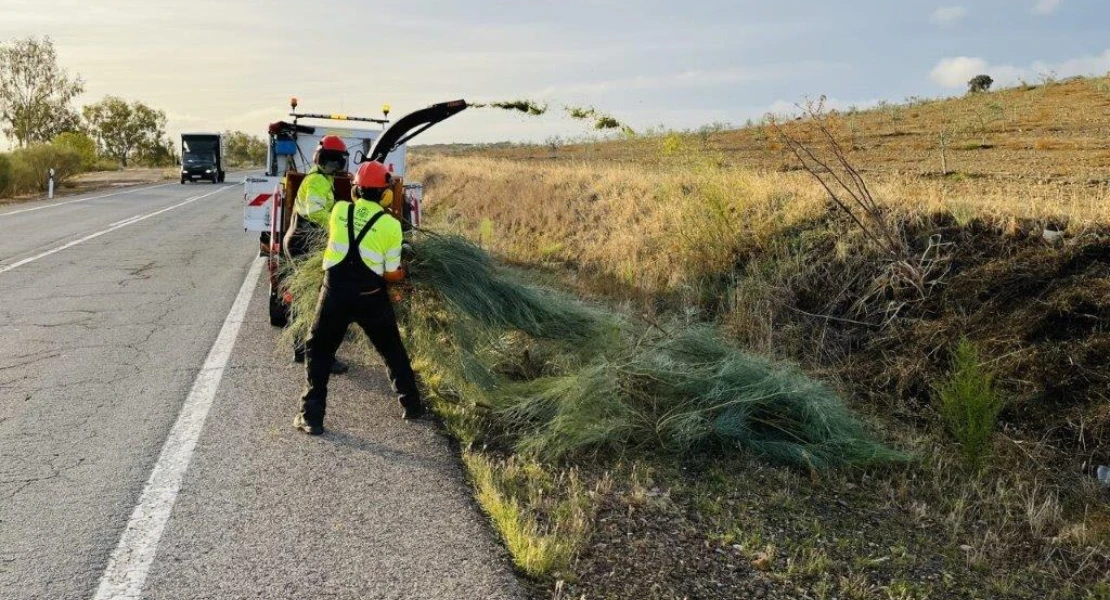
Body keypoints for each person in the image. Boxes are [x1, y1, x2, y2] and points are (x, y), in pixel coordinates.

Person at [293, 161, 425, 435]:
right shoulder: (391, 225)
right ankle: (411, 405)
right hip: (371, 298)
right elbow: (391, 274)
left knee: (319, 352)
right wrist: (405, 270)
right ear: (386, 194)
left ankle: (311, 418)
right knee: (392, 350)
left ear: (355, 191)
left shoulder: (339, 210)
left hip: (334, 295)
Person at [284, 134, 350, 373]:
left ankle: (304, 350)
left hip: (301, 241)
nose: (333, 165)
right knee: (318, 300)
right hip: (304, 243)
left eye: (336, 161)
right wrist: (341, 223)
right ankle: (317, 354)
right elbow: (315, 212)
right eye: (329, 160)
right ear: (320, 159)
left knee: (308, 298)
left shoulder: (323, 179)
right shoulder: (316, 181)